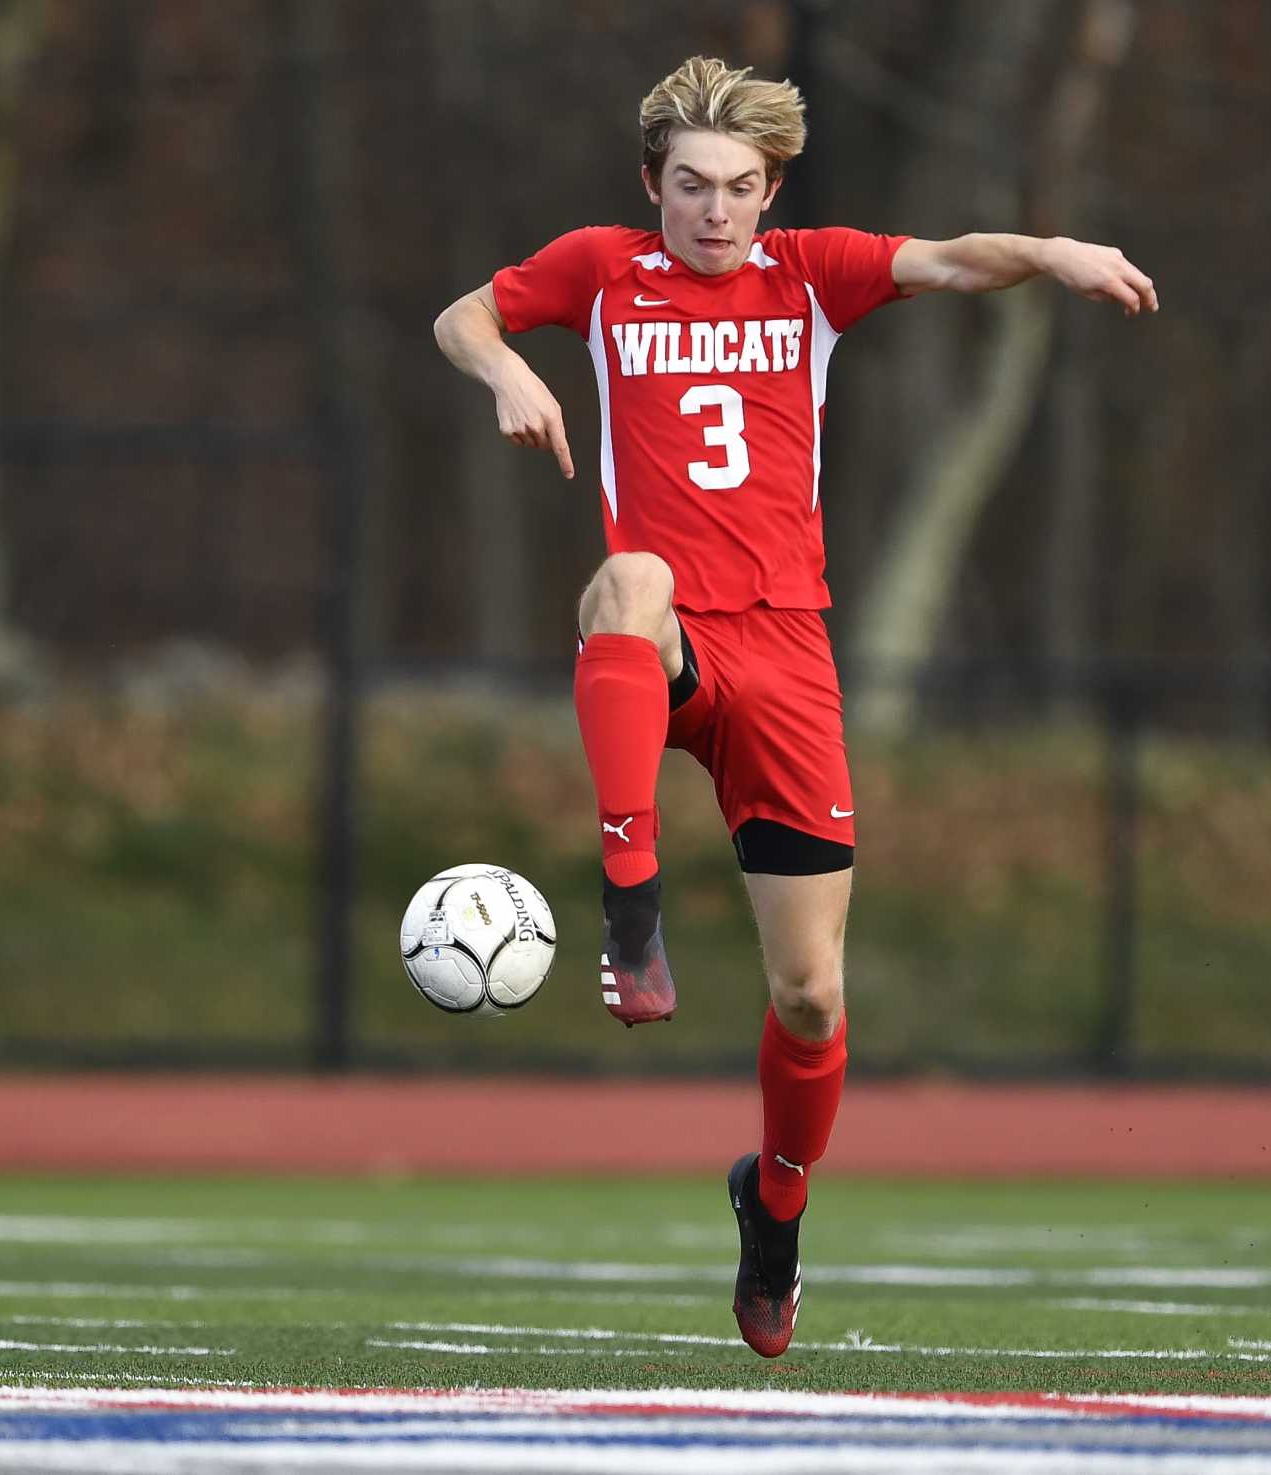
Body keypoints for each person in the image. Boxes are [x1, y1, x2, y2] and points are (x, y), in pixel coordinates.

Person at [433, 56, 1155, 1357]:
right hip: (672, 638)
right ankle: (632, 901)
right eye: (694, 185)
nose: (717, 211)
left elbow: (950, 258)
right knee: (627, 582)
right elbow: (461, 316)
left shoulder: (810, 272)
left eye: (742, 188)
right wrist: (508, 373)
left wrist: (1053, 249)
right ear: (652, 184)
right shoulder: (600, 269)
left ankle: (773, 1206)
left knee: (814, 995)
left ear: (773, 194)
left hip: (788, 656)